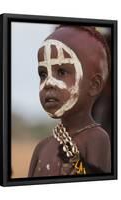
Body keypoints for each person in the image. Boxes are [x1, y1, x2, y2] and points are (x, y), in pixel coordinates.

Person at [28, 26, 111, 177]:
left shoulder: (97, 138)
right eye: (43, 74)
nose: (49, 83)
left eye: (61, 72)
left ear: (94, 85)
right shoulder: (41, 148)